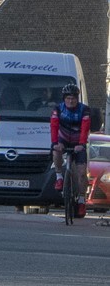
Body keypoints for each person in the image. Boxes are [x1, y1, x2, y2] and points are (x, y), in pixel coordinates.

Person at [51, 84, 93, 217]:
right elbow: (54, 125)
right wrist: (54, 143)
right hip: (63, 139)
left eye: (73, 98)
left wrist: (81, 144)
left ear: (77, 99)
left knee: (81, 173)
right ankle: (59, 177)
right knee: (56, 151)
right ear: (64, 99)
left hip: (78, 142)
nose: (71, 101)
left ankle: (81, 201)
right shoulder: (58, 109)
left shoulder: (84, 110)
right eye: (68, 98)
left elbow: (85, 127)